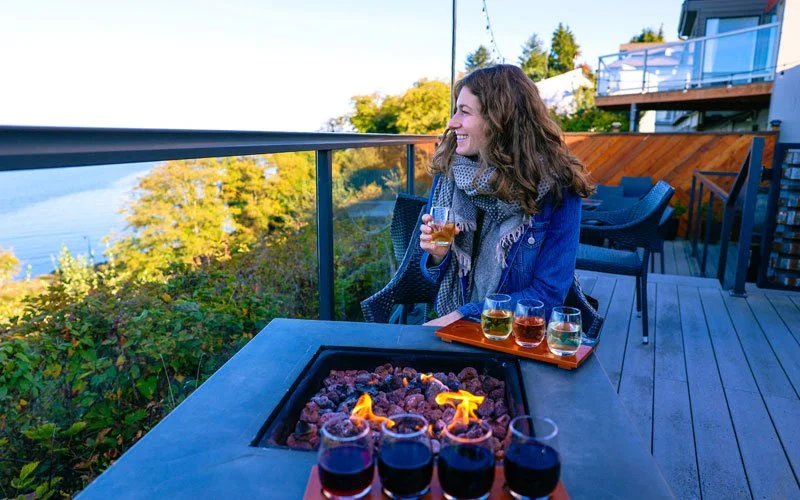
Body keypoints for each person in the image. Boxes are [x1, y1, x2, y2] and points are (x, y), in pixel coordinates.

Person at [419, 64, 593, 327]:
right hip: (453, 325)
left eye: (464, 112)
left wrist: (466, 315)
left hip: (518, 333)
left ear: (499, 120)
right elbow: (431, 278)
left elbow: (548, 296)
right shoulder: (449, 174)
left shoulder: (557, 187)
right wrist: (438, 255)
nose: (452, 123)